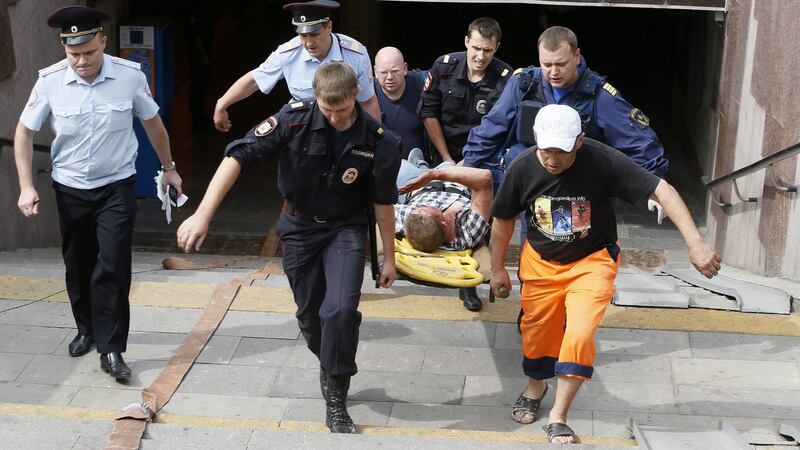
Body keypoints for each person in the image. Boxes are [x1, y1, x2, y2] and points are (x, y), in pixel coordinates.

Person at [177, 62, 400, 434]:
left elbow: (383, 200)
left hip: (345, 229)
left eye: (343, 110)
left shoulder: (378, 139)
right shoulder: (292, 119)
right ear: (315, 98)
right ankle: (331, 355)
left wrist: (388, 258)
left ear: (356, 97)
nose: (336, 118)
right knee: (311, 317)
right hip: (298, 228)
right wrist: (202, 214)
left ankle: (337, 396)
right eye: (328, 110)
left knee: (341, 310)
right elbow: (238, 156)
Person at [489, 105, 720, 444]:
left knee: (580, 334)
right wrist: (496, 269)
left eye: (562, 151)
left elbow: (662, 190)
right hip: (540, 263)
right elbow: (503, 219)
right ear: (536, 139)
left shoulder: (601, 159)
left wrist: (696, 243)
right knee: (537, 334)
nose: (553, 159)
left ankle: (559, 415)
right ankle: (536, 385)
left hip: (591, 261)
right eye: (547, 149)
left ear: (580, 141)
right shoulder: (522, 167)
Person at [13, 6, 183, 381]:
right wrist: (26, 186)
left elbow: (153, 123)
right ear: (64, 49)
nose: (82, 61)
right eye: (73, 54)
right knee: (79, 263)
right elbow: (23, 133)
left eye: (89, 53)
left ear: (103, 42)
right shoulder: (49, 81)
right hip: (70, 187)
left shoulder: (129, 76)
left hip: (116, 186)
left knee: (114, 264)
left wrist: (169, 169)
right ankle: (86, 328)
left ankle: (111, 348)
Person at [213, 0, 380, 132]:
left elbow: (367, 101)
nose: (308, 43)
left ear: (329, 27)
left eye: (314, 34)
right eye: (303, 35)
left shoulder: (355, 54)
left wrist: (376, 143)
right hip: (303, 133)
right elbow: (254, 80)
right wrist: (222, 104)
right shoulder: (288, 53)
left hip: (342, 129)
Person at [420, 17, 511, 165]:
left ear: (497, 47)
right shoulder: (443, 68)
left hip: (483, 159)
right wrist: (447, 160)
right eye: (476, 48)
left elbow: (501, 126)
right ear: (466, 41)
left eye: (487, 50)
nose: (481, 57)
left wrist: (468, 162)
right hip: (442, 156)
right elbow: (428, 112)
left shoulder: (505, 77)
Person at [373, 46, 425, 159]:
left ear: (405, 68)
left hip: (421, 165)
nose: (390, 77)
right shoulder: (368, 95)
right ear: (375, 72)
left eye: (395, 71)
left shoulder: (420, 84)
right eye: (383, 73)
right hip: (383, 166)